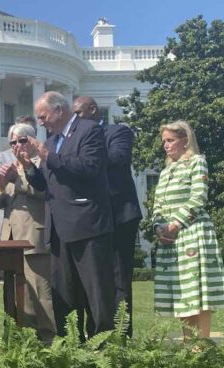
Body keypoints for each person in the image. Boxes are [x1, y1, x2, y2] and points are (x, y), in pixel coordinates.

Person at [22, 91, 116, 338]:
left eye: (43, 116)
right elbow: (47, 183)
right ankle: (71, 346)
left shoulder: (89, 130)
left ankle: (103, 347)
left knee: (95, 293)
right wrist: (30, 168)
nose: (40, 122)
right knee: (64, 294)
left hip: (87, 225)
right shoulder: (52, 141)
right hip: (59, 229)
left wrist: (48, 157)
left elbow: (90, 167)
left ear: (59, 111)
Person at [152, 120, 224, 340]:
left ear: (185, 141)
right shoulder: (165, 171)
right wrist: (159, 228)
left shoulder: (197, 162)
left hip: (192, 234)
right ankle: (188, 343)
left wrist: (175, 224)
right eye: (164, 141)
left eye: (170, 140)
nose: (166, 145)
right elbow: (157, 204)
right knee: (182, 291)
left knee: (198, 290)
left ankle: (202, 343)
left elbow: (198, 198)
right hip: (170, 239)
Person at [72, 96, 142, 337]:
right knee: (95, 278)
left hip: (120, 215)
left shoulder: (117, 132)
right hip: (92, 217)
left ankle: (122, 335)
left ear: (93, 110)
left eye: (79, 113)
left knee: (119, 277)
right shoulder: (76, 139)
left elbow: (118, 159)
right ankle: (97, 333)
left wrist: (87, 154)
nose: (76, 119)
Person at [0, 123, 55, 343]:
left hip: (33, 238)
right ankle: (17, 343)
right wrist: (0, 184)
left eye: (22, 140)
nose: (17, 146)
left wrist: (19, 179)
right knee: (13, 296)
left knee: (40, 295)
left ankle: (49, 342)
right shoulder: (10, 166)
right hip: (9, 242)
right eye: (13, 142)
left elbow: (45, 192)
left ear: (33, 140)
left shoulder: (43, 164)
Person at [0, 115, 37, 184]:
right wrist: (3, 178)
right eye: (14, 142)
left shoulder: (42, 156)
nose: (18, 144)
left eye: (23, 139)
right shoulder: (3, 157)